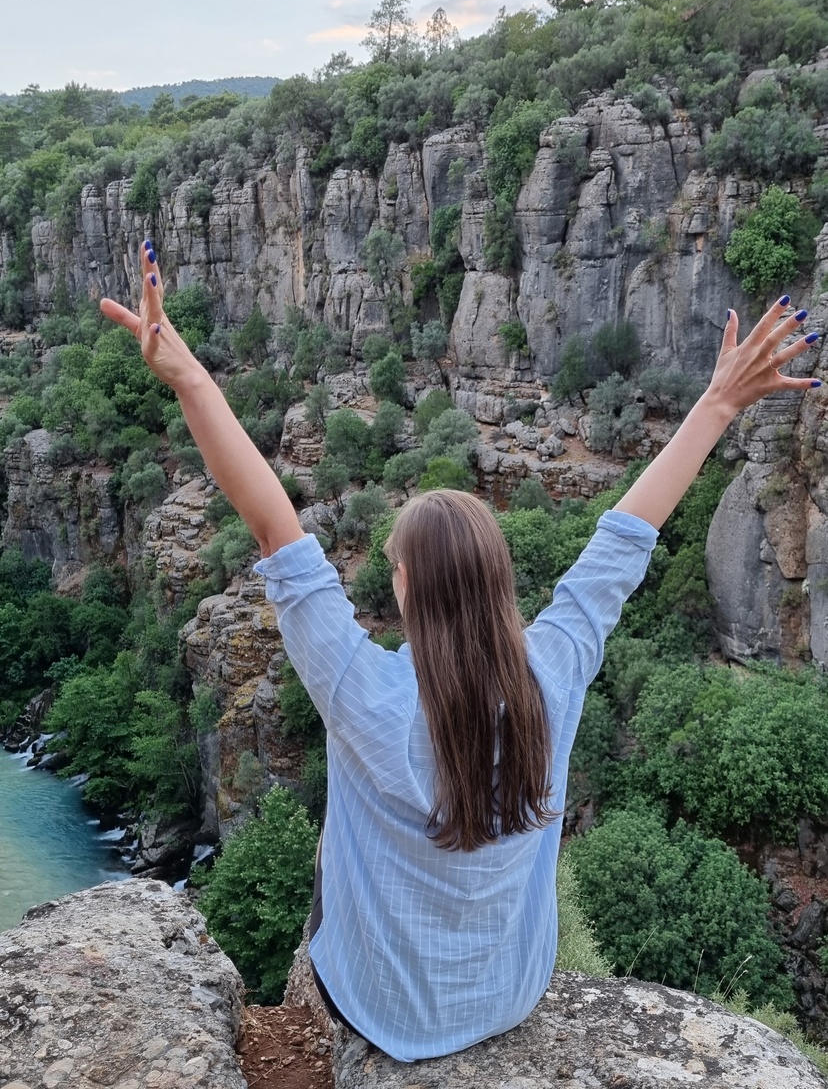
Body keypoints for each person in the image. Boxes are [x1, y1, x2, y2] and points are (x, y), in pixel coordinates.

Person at [101, 244, 821, 1062]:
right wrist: (720, 404)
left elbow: (275, 528)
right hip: (512, 993)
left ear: (404, 589)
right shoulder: (554, 671)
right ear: (499, 586)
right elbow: (627, 537)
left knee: (335, 849)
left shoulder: (358, 687)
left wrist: (191, 380)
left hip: (381, 1010)